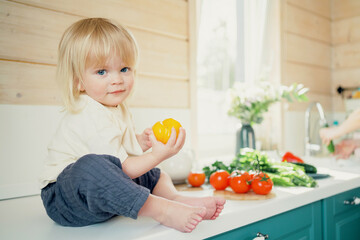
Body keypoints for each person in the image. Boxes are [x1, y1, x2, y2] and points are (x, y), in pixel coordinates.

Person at [39, 18, 225, 233]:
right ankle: (163, 209)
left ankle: (174, 198)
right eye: (102, 72)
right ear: (78, 81)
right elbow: (123, 169)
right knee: (92, 166)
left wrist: (140, 141)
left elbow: (119, 150)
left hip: (99, 197)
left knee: (151, 173)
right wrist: (158, 154)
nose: (117, 79)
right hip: (65, 200)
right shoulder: (90, 112)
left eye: (124, 68)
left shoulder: (114, 105)